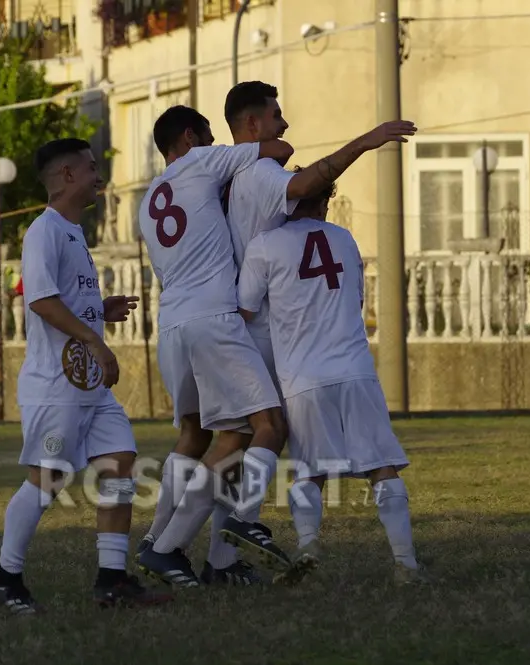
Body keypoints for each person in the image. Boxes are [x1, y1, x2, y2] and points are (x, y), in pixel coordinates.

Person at [138, 83, 419, 585]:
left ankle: (202, 554)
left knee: (217, 438)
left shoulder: (173, 191)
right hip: (245, 327)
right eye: (275, 114)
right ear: (250, 124)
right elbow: (303, 176)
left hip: (179, 320)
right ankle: (191, 539)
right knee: (260, 431)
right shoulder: (251, 169)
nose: (284, 124)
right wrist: (366, 141)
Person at [0, 137, 174, 614]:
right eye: (91, 168)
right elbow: (41, 301)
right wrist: (95, 340)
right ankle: (4, 578)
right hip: (56, 386)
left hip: (88, 388)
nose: (98, 176)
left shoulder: (72, 232)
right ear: (68, 175)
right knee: (46, 480)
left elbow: (63, 300)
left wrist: (98, 311)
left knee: (120, 461)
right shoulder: (44, 231)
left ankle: (111, 580)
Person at [236, 169, 432, 587]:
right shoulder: (344, 239)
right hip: (355, 368)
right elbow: (355, 299)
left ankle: (308, 545)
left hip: (302, 377)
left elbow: (246, 310)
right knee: (381, 466)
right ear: (324, 201)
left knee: (309, 470)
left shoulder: (265, 245)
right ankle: (405, 563)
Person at [134, 105, 297, 588]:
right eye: (207, 135)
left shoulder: (148, 199)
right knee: (261, 427)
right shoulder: (202, 161)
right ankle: (171, 548)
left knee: (196, 436)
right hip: (213, 320)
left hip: (172, 325)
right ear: (189, 137)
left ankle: (160, 539)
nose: (213, 142)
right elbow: (279, 149)